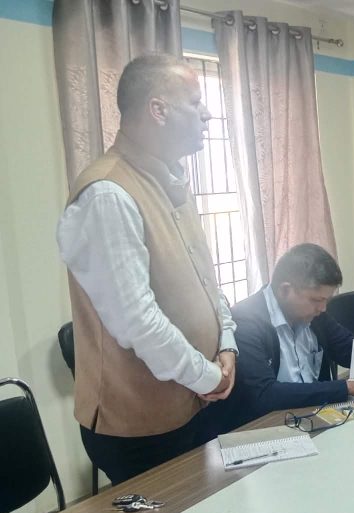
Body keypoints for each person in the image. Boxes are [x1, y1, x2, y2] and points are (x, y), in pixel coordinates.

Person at [57, 54, 238, 484]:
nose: (206, 114)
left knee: (208, 510)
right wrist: (207, 376)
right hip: (141, 423)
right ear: (159, 110)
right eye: (195, 102)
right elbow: (136, 320)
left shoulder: (169, 180)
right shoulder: (108, 193)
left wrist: (227, 341)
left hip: (195, 398)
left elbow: (206, 280)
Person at [194, 244, 354, 440]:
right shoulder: (246, 323)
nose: (322, 308)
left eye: (326, 300)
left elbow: (348, 349)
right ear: (285, 290)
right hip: (264, 430)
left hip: (312, 419)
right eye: (316, 300)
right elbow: (264, 395)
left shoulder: (314, 315)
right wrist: (347, 387)